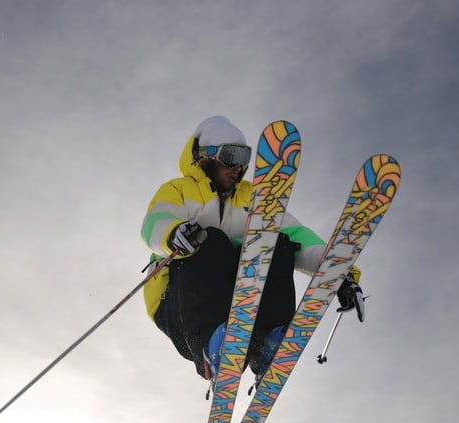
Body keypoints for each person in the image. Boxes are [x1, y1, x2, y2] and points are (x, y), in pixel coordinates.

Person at [140, 115, 362, 380]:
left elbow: (299, 238)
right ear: (207, 157)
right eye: (231, 157)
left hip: (232, 299)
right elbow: (154, 222)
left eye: (244, 160)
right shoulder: (178, 189)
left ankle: (265, 343)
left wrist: (339, 274)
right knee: (209, 240)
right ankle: (211, 346)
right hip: (176, 303)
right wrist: (173, 232)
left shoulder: (254, 198)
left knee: (274, 242)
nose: (238, 168)